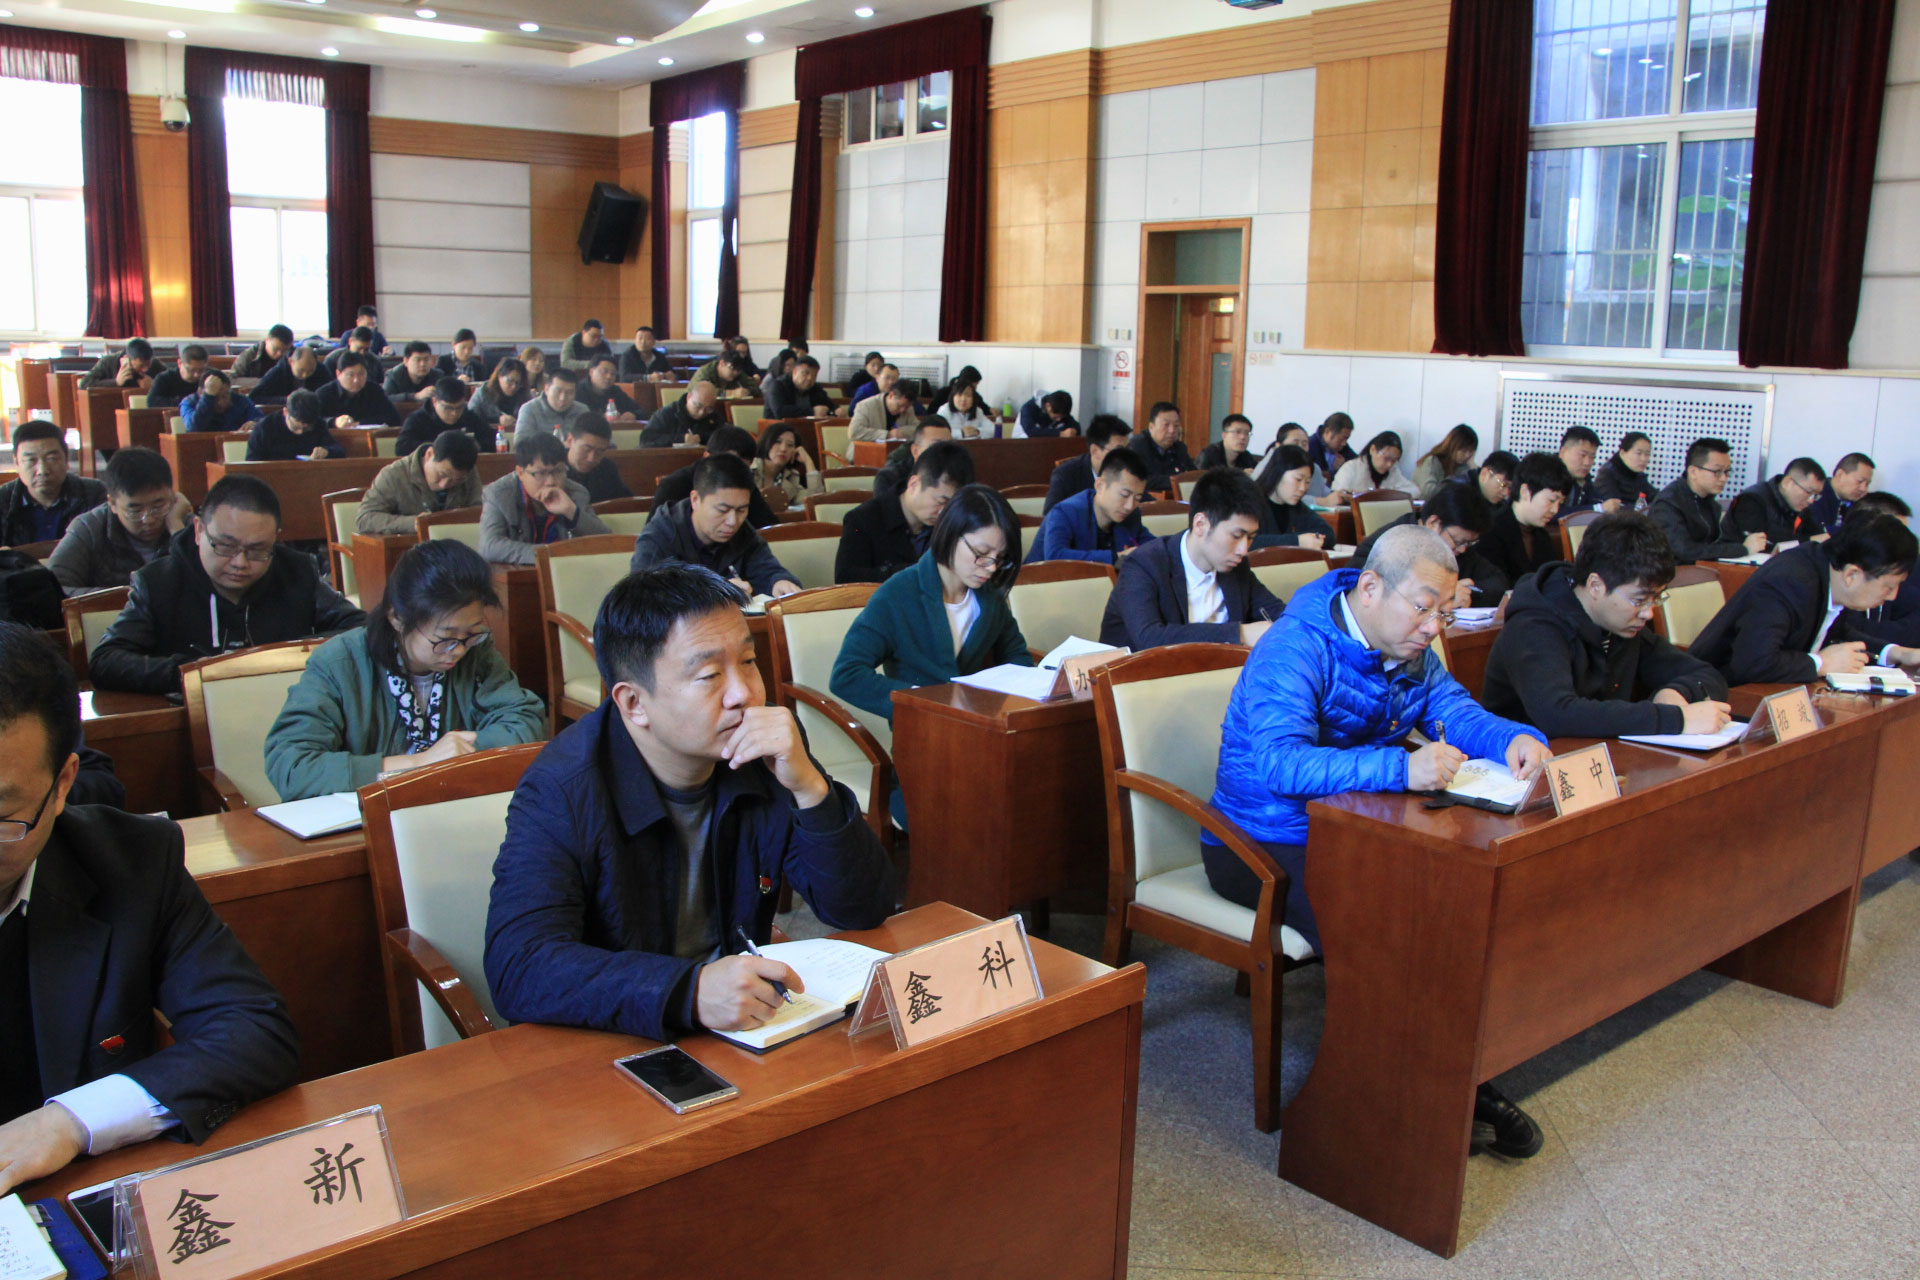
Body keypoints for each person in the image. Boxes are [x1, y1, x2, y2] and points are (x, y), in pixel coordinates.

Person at [1206, 525, 1550, 1158]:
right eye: (1423, 607)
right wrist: (1400, 768)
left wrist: (1514, 739)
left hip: (1356, 828)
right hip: (1258, 840)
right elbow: (1282, 766)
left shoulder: (1409, 643)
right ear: (1370, 588)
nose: (1433, 628)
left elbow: (1454, 711)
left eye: (1444, 614)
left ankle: (1448, 1078)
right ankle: (1383, 1106)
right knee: (1382, 930)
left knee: (1442, 902)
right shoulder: (1296, 645)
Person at [482, 564, 891, 1041]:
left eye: (749, 661)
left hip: (741, 1029)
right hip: (618, 1038)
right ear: (634, 703)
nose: (744, 694)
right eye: (710, 675)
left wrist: (811, 790)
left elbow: (862, 907)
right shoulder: (562, 788)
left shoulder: (762, 748)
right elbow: (519, 965)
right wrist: (688, 991)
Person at [0, 621, 298, 1193]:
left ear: (62, 785)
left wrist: (70, 1122)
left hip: (66, 1200)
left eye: (3, 816)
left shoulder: (131, 863)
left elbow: (252, 1029)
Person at [266, 541, 546, 800]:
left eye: (471, 633)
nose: (459, 650)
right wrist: (419, 763)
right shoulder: (339, 663)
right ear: (397, 618)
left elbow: (524, 721)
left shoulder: (476, 651)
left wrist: (459, 754)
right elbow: (292, 766)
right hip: (366, 818)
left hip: (451, 808)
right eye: (445, 638)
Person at [89, 477, 365, 695]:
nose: (240, 562)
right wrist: (194, 672)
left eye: (258, 550)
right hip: (193, 717)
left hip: (285, 706)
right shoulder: (158, 582)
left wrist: (285, 658)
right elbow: (105, 660)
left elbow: (360, 629)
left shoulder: (297, 571)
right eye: (225, 546)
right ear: (199, 530)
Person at [1483, 513, 1731, 739]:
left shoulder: (1621, 624)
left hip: (1599, 756)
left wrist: (1677, 692)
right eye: (1639, 600)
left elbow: (1707, 675)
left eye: (1656, 598)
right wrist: (1675, 719)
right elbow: (1557, 714)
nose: (1648, 613)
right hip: (1524, 762)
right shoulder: (1534, 625)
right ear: (1595, 586)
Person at [831, 486, 1034, 730]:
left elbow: (1017, 658)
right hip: (922, 733)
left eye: (999, 558)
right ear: (951, 534)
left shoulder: (989, 596)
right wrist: (923, 700)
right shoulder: (899, 593)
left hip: (980, 729)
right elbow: (847, 675)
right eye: (981, 553)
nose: (991, 567)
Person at [1689, 511, 1920, 686]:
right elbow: (1752, 662)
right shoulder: (1790, 582)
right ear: (1852, 574)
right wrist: (1822, 663)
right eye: (1889, 586)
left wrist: (1896, 653)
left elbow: (1837, 633)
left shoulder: (1827, 572)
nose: (1893, 596)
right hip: (1720, 694)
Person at [1099, 467, 1280, 650]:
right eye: (1236, 536)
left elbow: (1276, 613)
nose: (1243, 550)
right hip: (1142, 667)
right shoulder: (1143, 565)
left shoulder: (1236, 566)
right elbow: (1150, 638)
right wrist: (1239, 633)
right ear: (1200, 524)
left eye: (1250, 538)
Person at [629, 454, 801, 598]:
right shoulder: (660, 536)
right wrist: (713, 592)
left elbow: (767, 570)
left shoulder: (743, 533)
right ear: (695, 500)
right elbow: (643, 599)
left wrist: (778, 582)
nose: (733, 521)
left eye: (741, 510)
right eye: (722, 510)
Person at [46, 448, 192, 592]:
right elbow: (54, 588)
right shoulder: (89, 528)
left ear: (173, 496)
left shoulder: (187, 524)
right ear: (112, 503)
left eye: (158, 506)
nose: (148, 519)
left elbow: (203, 584)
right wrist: (129, 597)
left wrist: (176, 529)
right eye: (135, 510)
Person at [834, 441, 974, 585]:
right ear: (914, 484)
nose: (944, 512)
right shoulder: (862, 520)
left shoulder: (954, 521)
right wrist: (912, 572)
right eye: (941, 501)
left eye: (951, 506)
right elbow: (845, 579)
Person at [1350, 480, 1506, 609]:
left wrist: (1467, 592)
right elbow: (1362, 592)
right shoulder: (1389, 544)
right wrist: (1444, 597)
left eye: (1469, 543)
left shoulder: (1460, 550)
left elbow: (1498, 582)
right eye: (1458, 541)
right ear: (1434, 523)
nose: (1463, 549)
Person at [479, 433, 610, 566]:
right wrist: (552, 553)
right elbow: (490, 546)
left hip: (568, 573)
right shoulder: (498, 494)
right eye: (541, 473)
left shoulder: (576, 493)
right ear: (520, 473)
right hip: (520, 574)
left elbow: (607, 542)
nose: (551, 482)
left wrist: (571, 511)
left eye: (558, 471)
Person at [1649, 437, 1767, 564]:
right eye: (1717, 472)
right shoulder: (1668, 504)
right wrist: (1742, 549)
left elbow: (1713, 544)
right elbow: (1686, 551)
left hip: (1700, 569)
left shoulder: (1708, 501)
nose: (1724, 478)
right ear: (1693, 472)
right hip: (1670, 572)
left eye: (1727, 471)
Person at [1028, 446, 1149, 564]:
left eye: (1137, 498)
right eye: (1124, 495)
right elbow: (1055, 556)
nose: (1129, 506)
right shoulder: (1065, 512)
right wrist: (1116, 557)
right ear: (1100, 486)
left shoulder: (1131, 515)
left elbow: (1151, 546)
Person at [357, 431, 482, 536]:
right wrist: (414, 523)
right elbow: (365, 519)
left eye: (456, 480)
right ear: (429, 455)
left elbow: (479, 512)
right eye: (442, 475)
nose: (443, 484)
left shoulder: (468, 475)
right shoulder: (393, 475)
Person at [0, 423, 103, 547]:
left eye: (52, 458)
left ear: (66, 459)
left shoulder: (94, 494)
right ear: (16, 463)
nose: (42, 470)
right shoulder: (3, 500)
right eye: (31, 460)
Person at [652, 426, 775, 528]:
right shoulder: (674, 485)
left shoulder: (742, 483)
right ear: (707, 457)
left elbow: (768, 526)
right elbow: (656, 535)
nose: (735, 472)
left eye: (742, 466)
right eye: (728, 464)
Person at [1479, 451, 1573, 583]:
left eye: (1560, 503)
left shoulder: (1542, 535)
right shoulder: (1491, 531)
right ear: (1525, 492)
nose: (1555, 510)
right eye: (1551, 500)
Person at [1722, 458, 1829, 547]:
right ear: (1787, 483)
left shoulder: (1800, 506)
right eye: (1809, 492)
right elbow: (1765, 541)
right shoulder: (1751, 499)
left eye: (1816, 495)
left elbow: (1817, 534)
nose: (1811, 500)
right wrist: (1809, 540)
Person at [1251, 445, 1335, 550]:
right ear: (1278, 473)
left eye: (1307, 482)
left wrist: (1301, 540)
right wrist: (1297, 540)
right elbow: (1247, 542)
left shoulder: (1296, 506)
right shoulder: (1251, 501)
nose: (1303, 488)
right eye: (1298, 479)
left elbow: (1328, 533)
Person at [1044, 415, 1132, 512]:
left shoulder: (1130, 473)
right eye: (1119, 451)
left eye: (1128, 449)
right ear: (1095, 451)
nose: (1126, 457)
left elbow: (1140, 507)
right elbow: (1051, 514)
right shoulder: (1066, 474)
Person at [396, 378, 495, 457]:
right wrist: (439, 447)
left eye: (459, 407)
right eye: (448, 408)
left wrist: (476, 445)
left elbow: (493, 439)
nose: (454, 413)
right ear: (435, 401)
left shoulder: (469, 417)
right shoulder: (417, 419)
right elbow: (401, 448)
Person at [245, 388, 342, 461]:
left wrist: (327, 451)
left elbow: (339, 450)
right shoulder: (265, 428)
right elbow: (252, 461)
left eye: (307, 428)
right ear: (285, 412)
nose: (300, 432)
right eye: (296, 426)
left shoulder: (317, 424)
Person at [871, 419, 955, 502]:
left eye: (949, 447)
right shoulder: (889, 478)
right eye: (935, 446)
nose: (944, 453)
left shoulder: (957, 476)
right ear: (915, 451)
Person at [315, 352, 403, 429]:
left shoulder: (374, 391)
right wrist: (334, 422)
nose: (356, 380)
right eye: (350, 375)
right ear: (338, 374)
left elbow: (394, 419)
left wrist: (360, 423)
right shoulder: (324, 394)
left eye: (361, 374)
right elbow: (313, 422)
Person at [513, 366, 595, 446]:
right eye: (558, 391)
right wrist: (557, 446)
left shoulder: (582, 411)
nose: (562, 398)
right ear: (546, 389)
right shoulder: (530, 409)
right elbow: (520, 444)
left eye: (569, 393)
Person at [752, 421, 824, 512]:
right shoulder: (749, 469)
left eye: (790, 445)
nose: (783, 449)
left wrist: (808, 462)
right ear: (766, 442)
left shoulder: (790, 477)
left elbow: (815, 501)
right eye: (778, 442)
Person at [563, 417, 632, 504]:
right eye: (586, 449)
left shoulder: (607, 468)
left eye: (599, 452)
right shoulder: (555, 468)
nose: (591, 459)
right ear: (570, 441)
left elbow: (626, 503)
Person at [641, 380, 725, 448]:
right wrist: (681, 439)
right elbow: (646, 439)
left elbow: (724, 438)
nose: (701, 412)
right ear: (689, 397)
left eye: (708, 409)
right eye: (698, 406)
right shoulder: (667, 414)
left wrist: (701, 438)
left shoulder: (714, 417)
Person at [1331, 430, 1416, 496]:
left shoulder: (1393, 471)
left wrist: (1387, 495)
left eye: (1394, 460)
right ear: (1373, 450)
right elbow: (1337, 494)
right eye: (1386, 458)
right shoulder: (1351, 468)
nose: (1390, 464)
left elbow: (1414, 490)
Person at [1135, 401, 1195, 494]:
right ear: (1151, 426)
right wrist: (1176, 480)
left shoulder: (1180, 448)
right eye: (1166, 425)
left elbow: (1193, 475)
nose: (1172, 430)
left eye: (1176, 426)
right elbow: (1141, 480)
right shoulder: (1138, 447)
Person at [1811, 453, 1874, 537]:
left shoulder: (1860, 503)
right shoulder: (1814, 496)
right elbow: (1817, 533)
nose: (1864, 489)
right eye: (1860, 481)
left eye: (1867, 484)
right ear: (1840, 475)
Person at [1590, 432, 1658, 510]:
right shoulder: (1608, 474)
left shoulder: (1638, 475)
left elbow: (1654, 496)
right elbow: (1612, 508)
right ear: (1622, 453)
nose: (1644, 459)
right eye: (1639, 453)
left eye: (1647, 454)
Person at [1409, 424, 1479, 500]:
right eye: (1464, 451)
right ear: (1452, 446)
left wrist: (1473, 468)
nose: (1467, 455)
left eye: (1471, 451)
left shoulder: (1464, 466)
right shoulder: (1432, 461)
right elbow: (1429, 492)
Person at [180, 370, 262, 434]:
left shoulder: (240, 400)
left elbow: (260, 418)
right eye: (215, 398)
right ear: (200, 393)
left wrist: (255, 423)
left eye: (225, 396)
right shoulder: (189, 403)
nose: (220, 402)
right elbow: (193, 429)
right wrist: (208, 397)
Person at [468, 358, 531, 441]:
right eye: (510, 381)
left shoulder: (524, 394)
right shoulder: (483, 393)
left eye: (518, 383)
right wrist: (497, 420)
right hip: (487, 438)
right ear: (499, 376)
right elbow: (471, 419)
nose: (514, 386)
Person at [251, 342, 329, 401]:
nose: (305, 375)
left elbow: (330, 393)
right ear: (291, 361)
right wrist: (285, 399)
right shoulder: (278, 371)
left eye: (311, 371)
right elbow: (254, 397)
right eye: (301, 370)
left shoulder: (321, 369)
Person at [764, 354, 834, 420]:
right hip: (777, 427)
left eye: (814, 375)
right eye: (806, 373)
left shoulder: (815, 388)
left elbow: (829, 405)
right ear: (795, 372)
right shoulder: (777, 385)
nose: (810, 378)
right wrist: (812, 411)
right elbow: (780, 412)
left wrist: (836, 410)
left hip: (806, 427)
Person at [79, 338, 163, 392]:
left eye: (148, 364)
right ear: (126, 359)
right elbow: (84, 384)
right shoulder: (108, 362)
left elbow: (170, 383)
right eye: (141, 366)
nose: (146, 369)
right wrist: (116, 382)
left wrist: (154, 385)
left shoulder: (154, 364)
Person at [1558, 426, 1611, 511]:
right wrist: (1597, 508)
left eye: (1592, 457)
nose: (1587, 463)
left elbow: (1596, 500)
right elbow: (1553, 513)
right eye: (1582, 455)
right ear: (1563, 452)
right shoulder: (1547, 476)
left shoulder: (1584, 479)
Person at [849, 382, 920, 444]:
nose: (902, 410)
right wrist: (887, 435)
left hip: (893, 451)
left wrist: (902, 432)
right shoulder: (865, 406)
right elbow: (854, 432)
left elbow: (918, 429)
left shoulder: (908, 408)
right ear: (891, 395)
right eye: (899, 405)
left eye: (906, 407)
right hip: (864, 450)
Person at [575, 356, 642, 422]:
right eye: (604, 372)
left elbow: (641, 411)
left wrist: (634, 415)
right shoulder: (578, 390)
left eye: (613, 374)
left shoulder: (615, 391)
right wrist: (602, 417)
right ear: (591, 372)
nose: (609, 377)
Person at [145, 344, 210, 408]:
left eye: (201, 370)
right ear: (180, 363)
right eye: (191, 370)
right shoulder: (164, 378)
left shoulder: (210, 377)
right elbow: (152, 402)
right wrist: (187, 401)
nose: (196, 375)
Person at [1307, 411, 1356, 486]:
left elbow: (1357, 463)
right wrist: (1336, 471)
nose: (1344, 443)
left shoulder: (1342, 447)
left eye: (1346, 439)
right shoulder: (1310, 447)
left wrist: (1346, 466)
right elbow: (1319, 481)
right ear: (1327, 432)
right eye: (1341, 439)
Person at [689, 351, 756, 399]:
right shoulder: (705, 372)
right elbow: (700, 391)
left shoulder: (738, 374)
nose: (736, 372)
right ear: (722, 363)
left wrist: (747, 392)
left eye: (738, 369)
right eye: (732, 368)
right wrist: (730, 393)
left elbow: (756, 389)